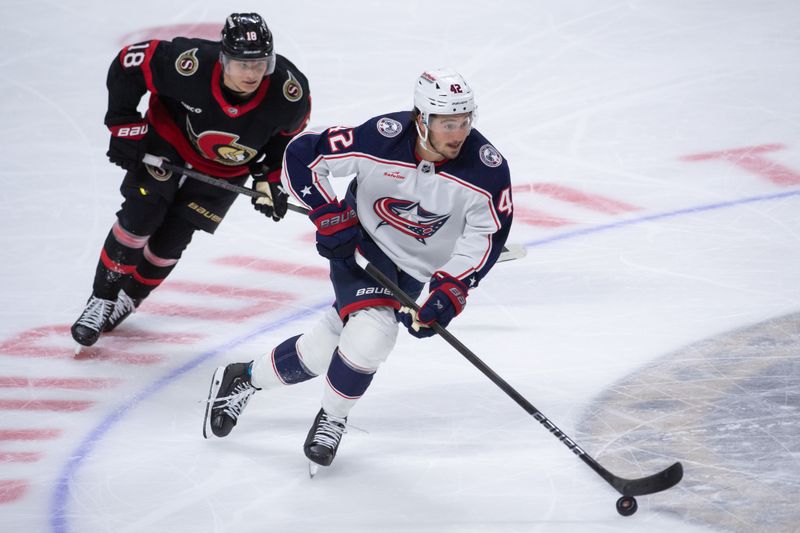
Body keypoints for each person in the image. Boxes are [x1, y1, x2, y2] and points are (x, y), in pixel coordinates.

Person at [202, 68, 513, 471]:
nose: (458, 133)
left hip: (417, 270)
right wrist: (328, 214)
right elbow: (301, 156)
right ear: (422, 119)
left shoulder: (487, 170)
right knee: (373, 334)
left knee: (321, 349)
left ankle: (244, 378)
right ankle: (333, 416)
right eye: (447, 123)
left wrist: (450, 289)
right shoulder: (381, 137)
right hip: (363, 246)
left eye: (465, 121)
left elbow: (486, 238)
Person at [70, 13, 311, 348]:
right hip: (168, 143)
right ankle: (102, 297)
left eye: (260, 64)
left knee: (174, 237)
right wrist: (123, 124)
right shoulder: (190, 65)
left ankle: (130, 298)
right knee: (143, 214)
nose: (253, 74)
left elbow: (288, 140)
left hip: (227, 166)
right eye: (243, 64)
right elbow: (129, 64)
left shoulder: (289, 93)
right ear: (224, 58)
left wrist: (269, 177)